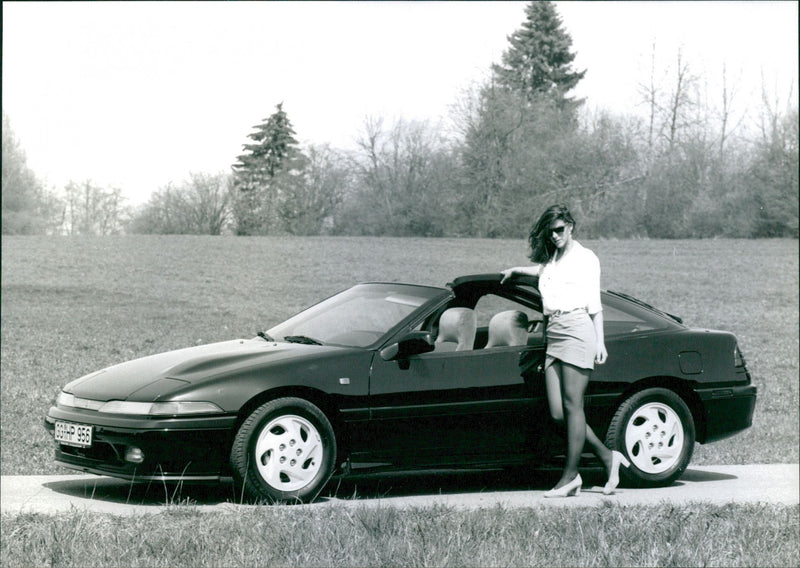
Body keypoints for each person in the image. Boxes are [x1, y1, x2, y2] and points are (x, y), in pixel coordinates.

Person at [501, 204, 629, 497]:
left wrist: (599, 342)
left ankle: (570, 477)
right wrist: (514, 271)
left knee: (574, 406)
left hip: (577, 329)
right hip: (554, 334)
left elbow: (594, 305)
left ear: (571, 226)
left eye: (560, 230)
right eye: (551, 232)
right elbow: (542, 273)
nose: (556, 236)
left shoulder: (586, 258)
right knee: (559, 413)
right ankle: (609, 458)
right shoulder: (553, 258)